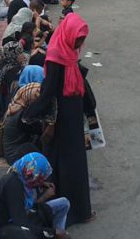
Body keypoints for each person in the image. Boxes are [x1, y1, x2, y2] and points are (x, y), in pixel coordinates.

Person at [23, 14, 93, 227]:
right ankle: (66, 212)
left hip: (70, 118)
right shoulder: (56, 56)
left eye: (82, 40)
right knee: (65, 164)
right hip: (62, 119)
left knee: (71, 163)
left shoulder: (67, 51)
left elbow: (59, 89)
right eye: (78, 39)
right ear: (69, 34)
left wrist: (28, 115)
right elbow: (49, 92)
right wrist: (30, 114)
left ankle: (78, 211)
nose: (79, 44)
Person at [0, 152, 68, 239]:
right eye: (40, 178)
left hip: (11, 220)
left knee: (63, 203)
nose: (42, 181)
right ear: (32, 175)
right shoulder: (13, 185)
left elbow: (25, 208)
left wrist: (41, 188)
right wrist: (53, 233)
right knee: (27, 234)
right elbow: (22, 224)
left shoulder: (23, 178)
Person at [1, 66, 49, 166]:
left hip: (14, 151)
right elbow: (40, 130)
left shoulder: (19, 102)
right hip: (15, 156)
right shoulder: (23, 115)